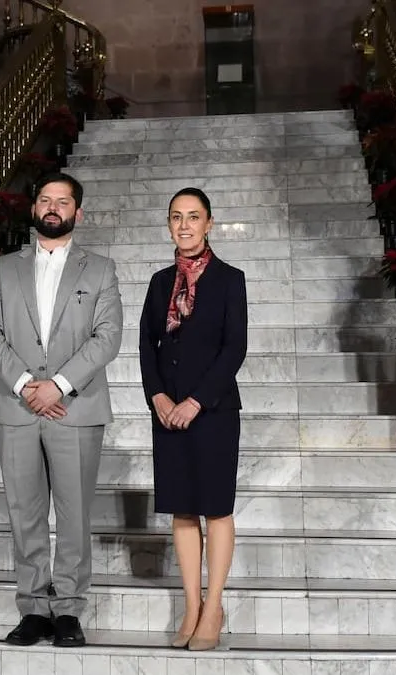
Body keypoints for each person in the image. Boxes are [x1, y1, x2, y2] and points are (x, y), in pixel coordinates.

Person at [0, 172, 124, 648]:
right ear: (34, 209)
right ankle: (34, 608)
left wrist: (58, 386)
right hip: (17, 408)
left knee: (74, 511)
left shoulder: (99, 269)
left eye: (63, 201)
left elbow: (108, 337)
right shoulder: (4, 268)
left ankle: (69, 610)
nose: (53, 207)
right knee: (25, 512)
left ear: (78, 213)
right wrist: (25, 385)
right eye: (45, 199)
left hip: (75, 409)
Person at [138, 187, 247, 651]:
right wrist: (159, 397)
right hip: (168, 414)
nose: (184, 225)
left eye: (193, 217)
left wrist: (195, 401)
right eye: (176, 217)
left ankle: (215, 605)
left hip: (214, 411)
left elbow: (234, 348)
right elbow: (147, 346)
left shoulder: (229, 279)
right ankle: (191, 604)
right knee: (182, 509)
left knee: (216, 508)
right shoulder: (161, 282)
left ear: (209, 223)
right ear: (169, 225)